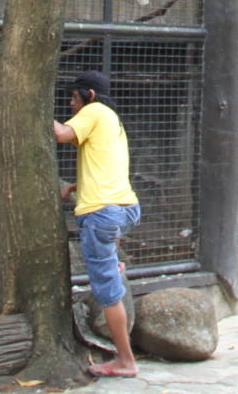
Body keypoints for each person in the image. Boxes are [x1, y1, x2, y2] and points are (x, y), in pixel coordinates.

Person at [53, 69, 141, 378]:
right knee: (108, 265)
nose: (70, 104)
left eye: (74, 97)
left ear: (89, 96)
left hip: (101, 214)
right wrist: (75, 188)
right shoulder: (111, 119)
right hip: (126, 208)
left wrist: (37, 111)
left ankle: (125, 360)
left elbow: (61, 134)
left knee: (107, 292)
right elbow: (105, 164)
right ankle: (112, 263)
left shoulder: (93, 111)